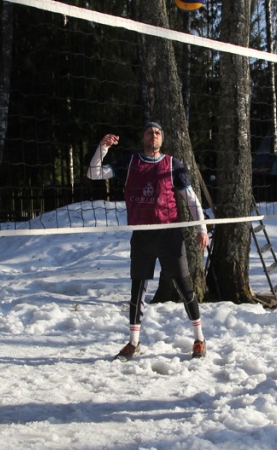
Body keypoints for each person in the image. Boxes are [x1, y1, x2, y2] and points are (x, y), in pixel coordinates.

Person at [86, 121, 210, 361]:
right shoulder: (131, 163)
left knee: (185, 288)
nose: (153, 135)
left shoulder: (173, 165)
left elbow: (191, 199)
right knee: (137, 290)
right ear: (143, 137)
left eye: (157, 132)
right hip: (142, 235)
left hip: (170, 235)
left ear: (162, 139)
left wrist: (201, 229)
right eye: (149, 132)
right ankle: (134, 343)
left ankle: (199, 339)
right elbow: (94, 173)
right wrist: (103, 147)